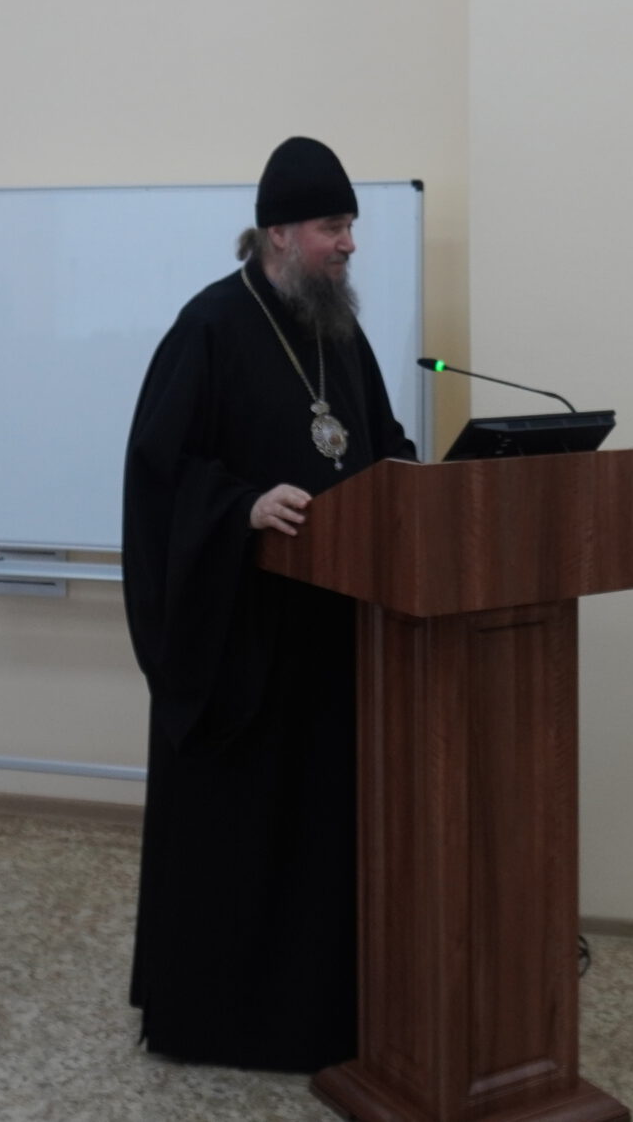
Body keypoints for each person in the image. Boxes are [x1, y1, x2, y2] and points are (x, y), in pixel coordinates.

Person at [120, 136, 417, 1072]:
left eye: (351, 225)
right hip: (242, 642)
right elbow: (159, 478)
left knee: (323, 835)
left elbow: (379, 441)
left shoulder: (339, 331)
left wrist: (416, 485)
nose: (349, 243)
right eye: (334, 226)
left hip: (332, 638)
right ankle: (222, 1020)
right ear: (280, 233)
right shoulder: (208, 326)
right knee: (245, 840)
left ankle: (328, 1014)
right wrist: (241, 508)